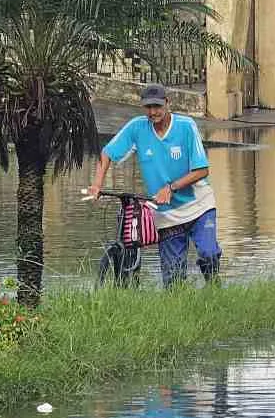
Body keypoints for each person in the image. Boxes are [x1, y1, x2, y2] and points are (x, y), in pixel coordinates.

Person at [87, 83, 221, 287]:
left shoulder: (186, 126)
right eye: (148, 107)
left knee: (209, 253)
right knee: (173, 282)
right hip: (166, 215)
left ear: (167, 103)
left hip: (199, 207)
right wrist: (97, 185)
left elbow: (202, 170)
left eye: (157, 106)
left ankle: (214, 289)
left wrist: (170, 188)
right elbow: (107, 153)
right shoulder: (137, 128)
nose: (153, 112)